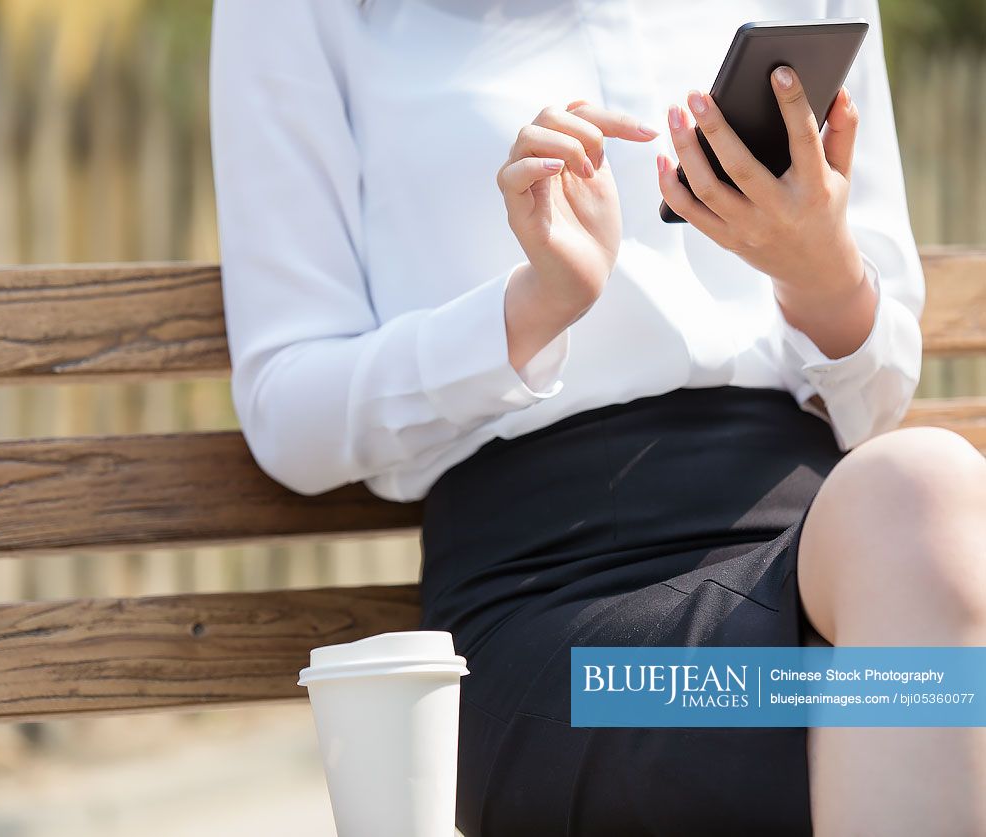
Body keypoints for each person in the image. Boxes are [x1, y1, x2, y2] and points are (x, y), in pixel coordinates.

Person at [208, 1, 986, 834]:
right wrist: (529, 311)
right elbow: (287, 410)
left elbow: (875, 394)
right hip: (572, 636)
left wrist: (819, 271)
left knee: (924, 494)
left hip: (809, 572)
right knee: (904, 702)